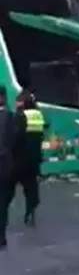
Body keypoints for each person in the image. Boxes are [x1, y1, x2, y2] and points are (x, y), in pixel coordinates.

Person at [12, 90, 44, 227]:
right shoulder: (38, 114)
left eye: (18, 101)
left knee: (10, 183)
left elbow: (16, 136)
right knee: (31, 183)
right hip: (35, 155)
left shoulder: (20, 116)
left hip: (21, 155)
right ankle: (32, 203)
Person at [0, 88, 21, 249]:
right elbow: (15, 140)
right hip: (5, 164)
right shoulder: (9, 116)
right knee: (3, 202)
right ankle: (1, 238)